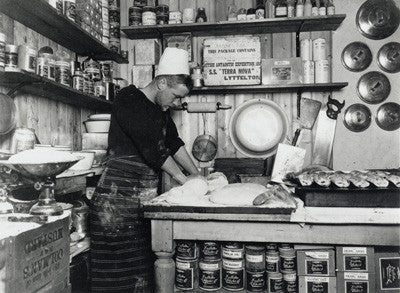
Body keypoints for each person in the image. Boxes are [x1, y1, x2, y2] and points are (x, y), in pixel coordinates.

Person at [90, 48, 200, 292]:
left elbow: (174, 144)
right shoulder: (129, 99)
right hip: (115, 202)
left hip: (142, 203)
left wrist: (197, 175)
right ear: (161, 82)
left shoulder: (160, 111)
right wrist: (185, 180)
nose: (177, 103)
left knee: (141, 276)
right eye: (175, 96)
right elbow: (153, 150)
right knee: (114, 280)